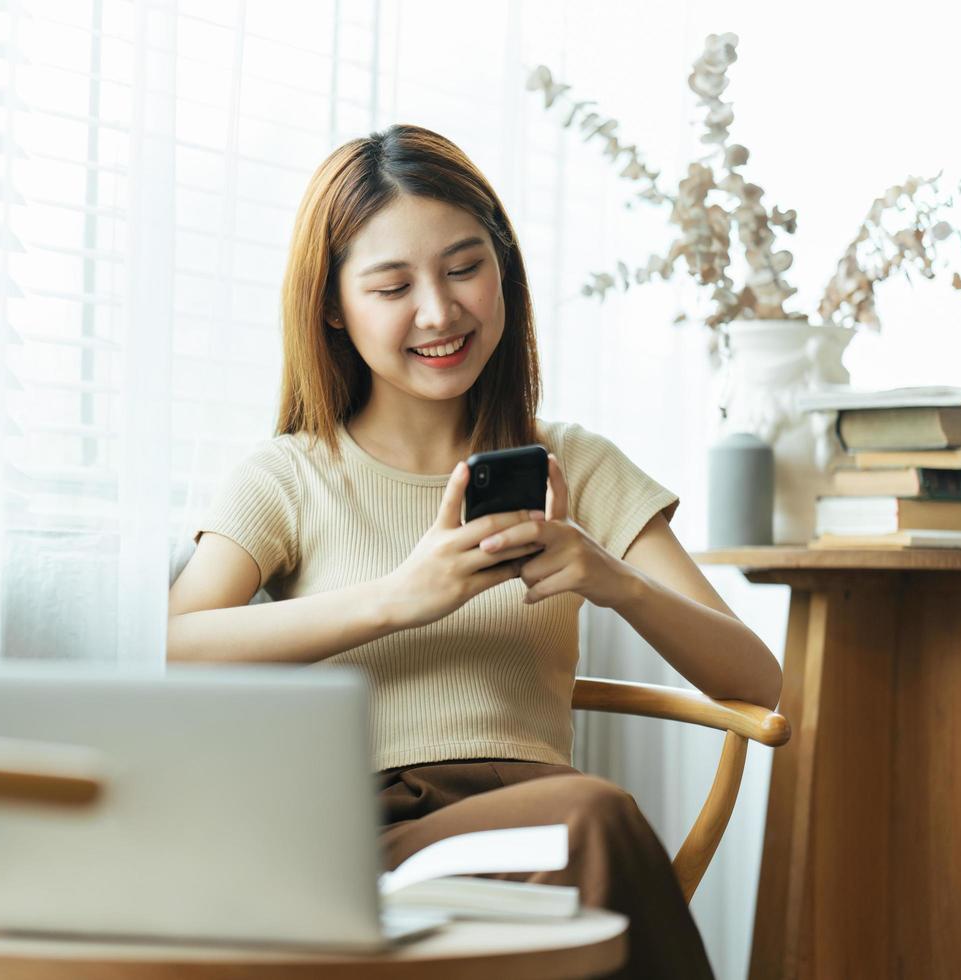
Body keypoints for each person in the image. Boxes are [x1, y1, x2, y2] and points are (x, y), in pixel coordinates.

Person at [167, 123, 782, 979]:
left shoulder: (581, 461)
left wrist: (610, 579)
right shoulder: (293, 475)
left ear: (504, 270)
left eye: (464, 268)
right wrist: (399, 595)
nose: (440, 311)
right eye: (392, 286)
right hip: (371, 838)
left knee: (587, 830)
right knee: (597, 823)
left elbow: (758, 682)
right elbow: (173, 647)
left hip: (540, 827)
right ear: (334, 310)